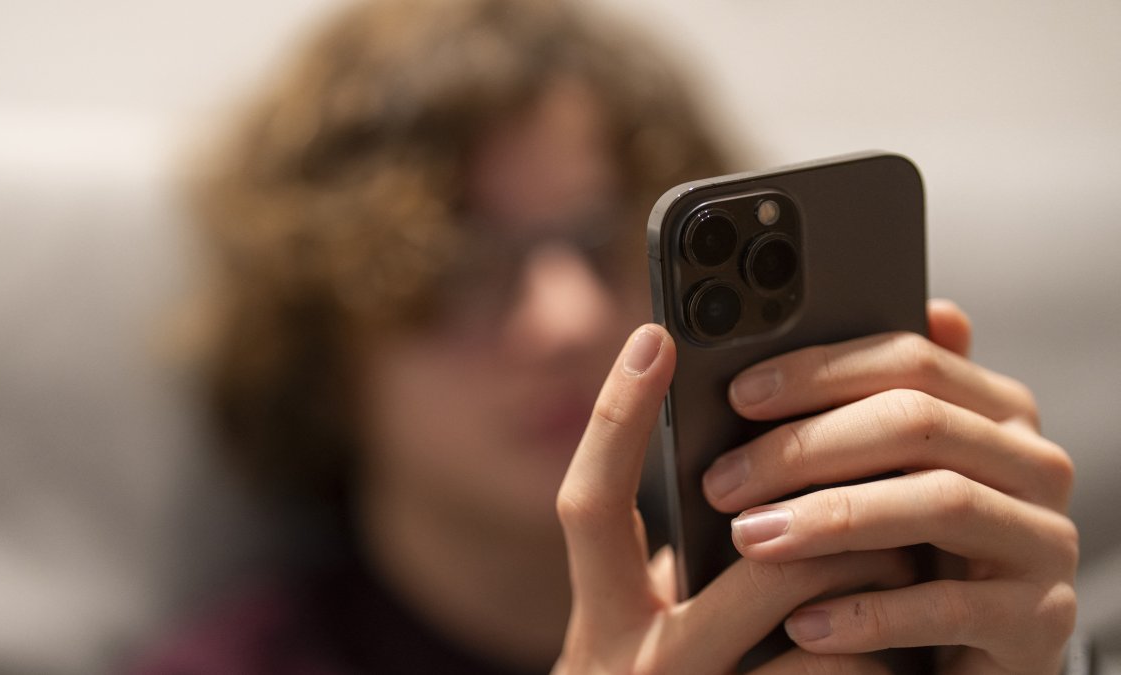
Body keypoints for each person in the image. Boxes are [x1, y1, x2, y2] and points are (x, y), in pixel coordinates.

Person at [137, 0, 1079, 672]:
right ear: (317, 346)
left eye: (605, 239)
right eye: (461, 266)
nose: (569, 317)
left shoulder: (848, 600)